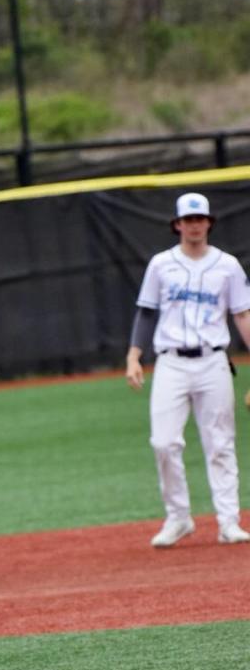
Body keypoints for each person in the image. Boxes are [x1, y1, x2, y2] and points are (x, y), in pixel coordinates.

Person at [125, 191, 250, 547]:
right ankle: (179, 518)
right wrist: (134, 356)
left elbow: (242, 314)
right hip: (171, 362)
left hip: (213, 360)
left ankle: (229, 521)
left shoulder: (227, 266)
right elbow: (146, 311)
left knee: (221, 443)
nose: (194, 225)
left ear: (209, 223)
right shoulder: (161, 264)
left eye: (200, 219)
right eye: (188, 220)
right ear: (177, 224)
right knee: (163, 443)